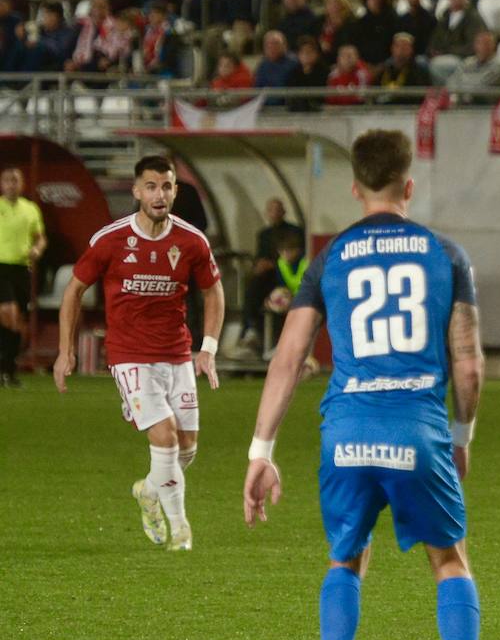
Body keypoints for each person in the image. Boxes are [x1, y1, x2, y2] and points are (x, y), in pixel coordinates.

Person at [241, 129, 500, 640]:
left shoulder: (329, 258)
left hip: (344, 433)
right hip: (417, 430)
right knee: (449, 558)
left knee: (346, 557)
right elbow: (469, 363)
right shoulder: (445, 255)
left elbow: (287, 358)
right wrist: (462, 434)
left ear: (355, 188)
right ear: (409, 184)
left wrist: (261, 452)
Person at [54, 156, 225, 553]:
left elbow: (213, 290)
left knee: (187, 449)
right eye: (151, 186)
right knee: (164, 437)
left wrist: (208, 349)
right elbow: (73, 291)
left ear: (175, 191)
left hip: (177, 353)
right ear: (136, 192)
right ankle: (180, 529)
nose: (159, 194)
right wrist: (65, 352)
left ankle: (149, 491)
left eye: (166, 186)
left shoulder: (191, 241)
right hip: (129, 355)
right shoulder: (111, 240)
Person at [237, 197, 306, 358]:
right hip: (270, 280)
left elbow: (298, 255)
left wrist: (273, 264)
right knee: (253, 287)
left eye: (277, 209)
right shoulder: (263, 234)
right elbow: (259, 256)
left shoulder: (295, 231)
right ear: (267, 213)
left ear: (284, 211)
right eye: (271, 209)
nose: (274, 213)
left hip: (288, 284)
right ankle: (251, 332)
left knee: (278, 301)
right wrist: (258, 265)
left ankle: (279, 344)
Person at [0, 167, 45, 387]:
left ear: (22, 184)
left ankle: (8, 369)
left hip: (21, 269)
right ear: (1, 184)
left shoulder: (31, 209)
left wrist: (37, 249)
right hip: (1, 267)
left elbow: (40, 238)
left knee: (18, 323)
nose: (11, 184)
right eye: (7, 180)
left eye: (15, 180)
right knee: (8, 312)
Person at [429, 0, 489, 84]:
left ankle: (448, 94)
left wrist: (447, 52)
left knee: (437, 65)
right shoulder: (444, 17)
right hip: (445, 56)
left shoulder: (473, 17)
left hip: (465, 58)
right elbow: (436, 38)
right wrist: (433, 51)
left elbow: (473, 45)